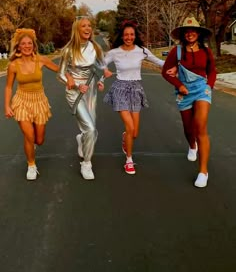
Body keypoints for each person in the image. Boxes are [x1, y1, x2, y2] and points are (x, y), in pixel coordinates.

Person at [103, 20, 165, 175]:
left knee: (134, 133)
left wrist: (173, 65)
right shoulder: (115, 52)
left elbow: (158, 62)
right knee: (130, 127)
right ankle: (129, 160)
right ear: (122, 36)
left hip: (136, 89)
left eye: (131, 34)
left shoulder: (141, 51)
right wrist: (104, 71)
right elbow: (100, 64)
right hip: (120, 89)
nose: (129, 37)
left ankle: (126, 137)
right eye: (126, 35)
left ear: (135, 36)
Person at [162, 16, 216, 188]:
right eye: (187, 31)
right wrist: (179, 84)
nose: (190, 33)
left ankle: (203, 171)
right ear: (183, 33)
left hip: (201, 90)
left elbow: (212, 71)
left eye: (193, 30)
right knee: (188, 129)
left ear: (198, 33)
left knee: (200, 126)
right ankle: (192, 145)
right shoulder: (176, 52)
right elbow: (164, 72)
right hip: (183, 92)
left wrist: (209, 86)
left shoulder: (206, 51)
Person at [58, 16, 111, 181]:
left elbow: (103, 67)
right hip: (74, 92)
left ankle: (81, 139)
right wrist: (74, 85)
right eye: (83, 26)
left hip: (90, 90)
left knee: (91, 131)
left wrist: (101, 80)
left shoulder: (95, 47)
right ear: (77, 29)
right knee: (90, 128)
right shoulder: (68, 50)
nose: (87, 28)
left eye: (89, 25)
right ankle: (86, 163)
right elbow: (60, 75)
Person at [4, 28, 59, 180]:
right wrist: (7, 106)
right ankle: (31, 165)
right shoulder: (13, 65)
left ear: (34, 45)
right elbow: (8, 86)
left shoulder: (41, 60)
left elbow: (59, 70)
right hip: (22, 101)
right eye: (23, 44)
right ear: (19, 47)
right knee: (29, 135)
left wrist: (71, 78)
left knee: (39, 140)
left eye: (29, 43)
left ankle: (32, 145)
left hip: (39, 101)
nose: (27, 46)